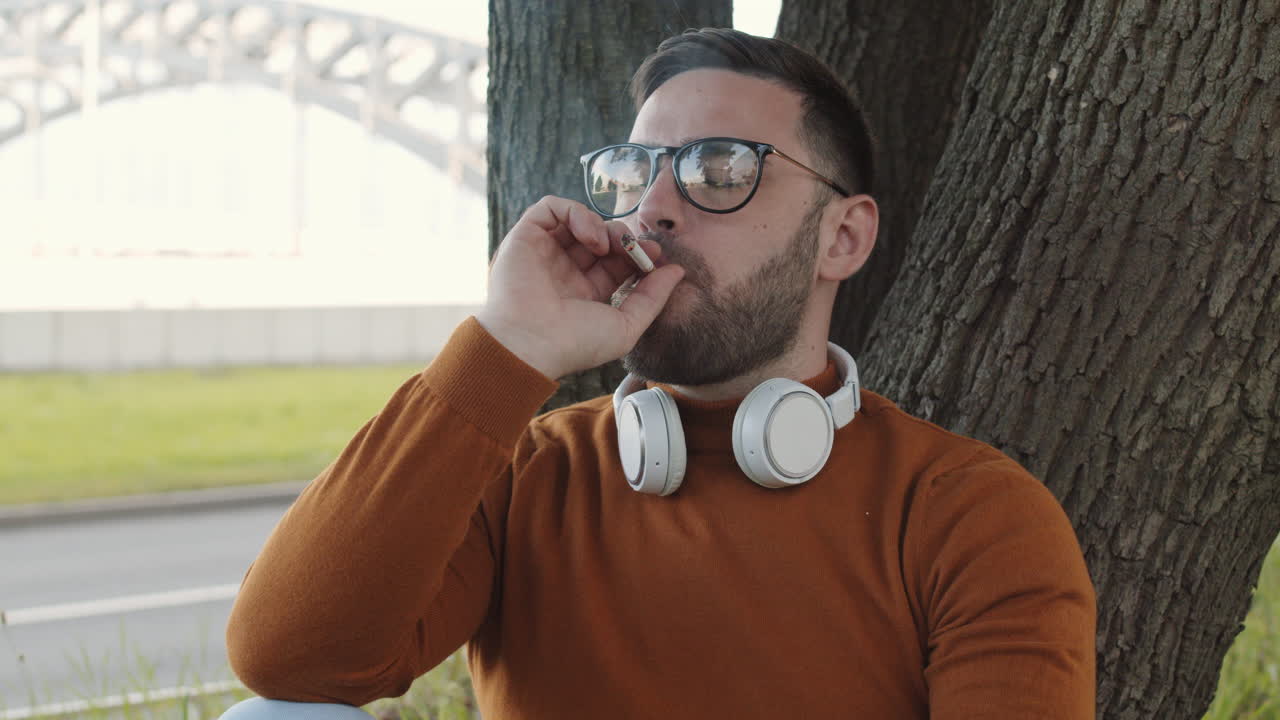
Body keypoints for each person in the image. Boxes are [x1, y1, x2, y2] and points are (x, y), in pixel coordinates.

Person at [220, 27, 1096, 720]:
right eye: (634, 172)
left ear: (843, 237)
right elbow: (288, 661)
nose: (653, 209)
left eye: (721, 169)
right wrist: (506, 345)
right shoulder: (528, 473)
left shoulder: (969, 514)